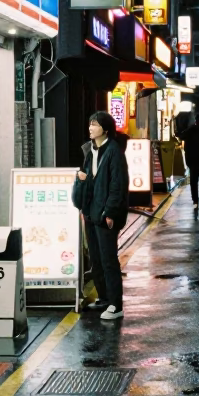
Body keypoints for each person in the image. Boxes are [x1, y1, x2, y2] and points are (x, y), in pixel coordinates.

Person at [72, 111, 129, 320]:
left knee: (108, 259)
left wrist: (111, 211)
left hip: (105, 213)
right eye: (89, 124)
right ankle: (104, 297)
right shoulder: (90, 151)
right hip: (91, 212)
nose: (90, 128)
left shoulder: (113, 151)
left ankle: (116, 304)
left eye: (94, 125)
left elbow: (118, 184)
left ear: (105, 129)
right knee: (96, 258)